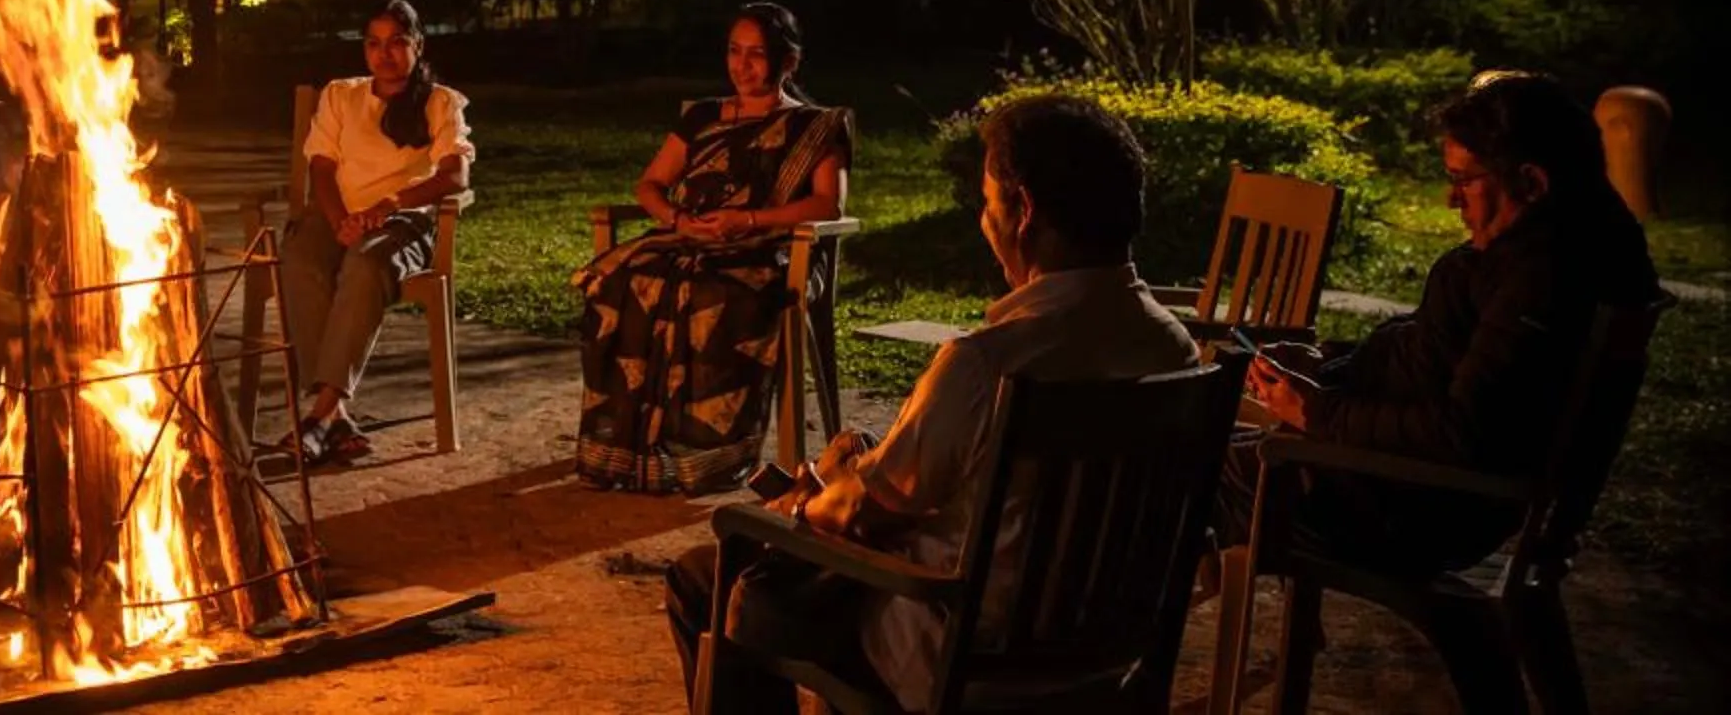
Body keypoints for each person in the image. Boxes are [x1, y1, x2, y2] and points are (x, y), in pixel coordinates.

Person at [664, 93, 1198, 714]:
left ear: (1023, 212)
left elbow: (867, 510)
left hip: (958, 657)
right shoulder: (1174, 347)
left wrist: (819, 498)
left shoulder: (987, 364)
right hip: (1108, 658)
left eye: (988, 202)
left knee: (713, 576)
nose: (985, 222)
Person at [1231, 70, 1660, 571]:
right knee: (1199, 447)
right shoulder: (1549, 248)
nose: (1450, 200)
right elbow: (1432, 357)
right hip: (1389, 480)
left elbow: (1460, 433)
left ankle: (1138, 630)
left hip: (1403, 506)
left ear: (1531, 182)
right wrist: (1329, 365)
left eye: (1463, 180)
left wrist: (1316, 412)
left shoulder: (1546, 279)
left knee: (1174, 466)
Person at [574, 2, 852, 493]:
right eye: (733, 52)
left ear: (788, 62)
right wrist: (680, 220)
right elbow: (650, 186)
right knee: (620, 283)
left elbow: (828, 204)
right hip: (689, 238)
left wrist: (746, 220)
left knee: (709, 296)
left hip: (768, 252)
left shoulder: (814, 127)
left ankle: (700, 456)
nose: (741, 66)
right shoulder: (703, 116)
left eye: (756, 55)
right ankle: (624, 447)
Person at [277, 0, 474, 465]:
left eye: (397, 43)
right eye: (374, 43)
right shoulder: (341, 95)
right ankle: (336, 418)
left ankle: (319, 417)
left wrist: (392, 203)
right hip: (338, 213)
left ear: (418, 46)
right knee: (301, 259)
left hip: (402, 220)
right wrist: (340, 220)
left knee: (365, 264)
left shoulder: (440, 102)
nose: (384, 54)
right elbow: (321, 169)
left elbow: (455, 177)